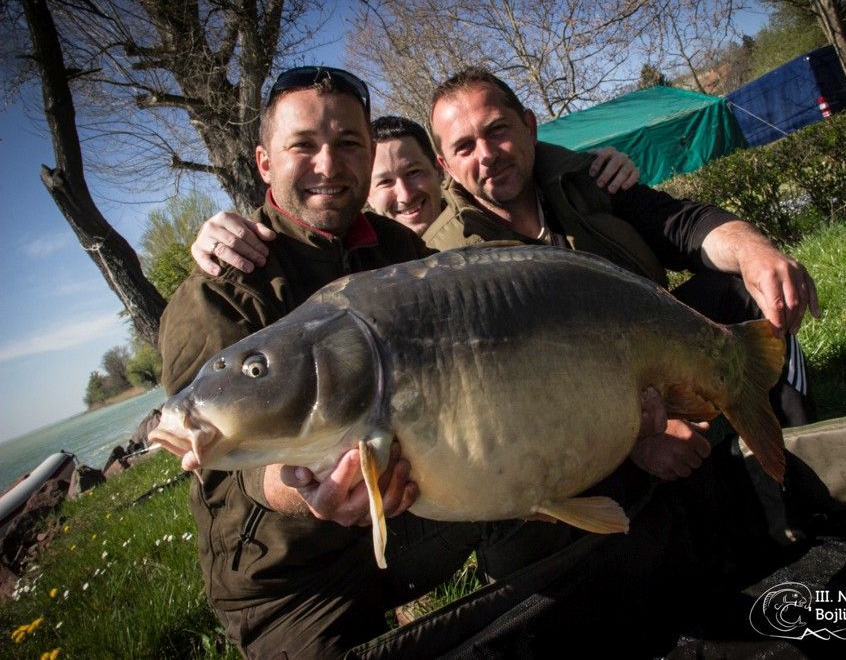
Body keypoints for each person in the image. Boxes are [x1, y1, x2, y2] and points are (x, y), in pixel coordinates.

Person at [158, 65, 707, 658]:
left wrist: (579, 164)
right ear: (264, 163)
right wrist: (304, 484)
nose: (328, 164)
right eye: (303, 145)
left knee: (569, 545)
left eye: (348, 144)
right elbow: (228, 469)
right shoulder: (218, 285)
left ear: (369, 153)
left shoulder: (399, 252)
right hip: (294, 578)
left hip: (422, 513)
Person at [192, 114, 638, 275]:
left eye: (414, 172)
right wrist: (217, 233)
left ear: (440, 171)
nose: (404, 193)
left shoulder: (492, 211)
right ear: (366, 190)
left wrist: (596, 163)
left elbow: (514, 158)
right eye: (384, 181)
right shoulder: (375, 260)